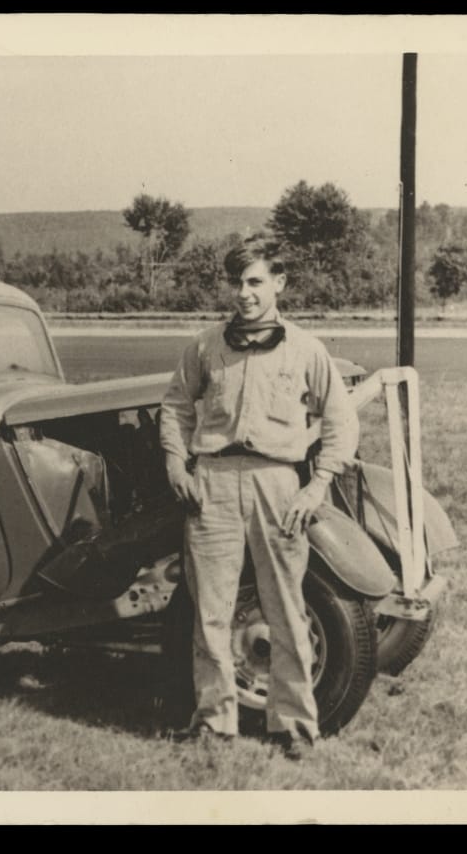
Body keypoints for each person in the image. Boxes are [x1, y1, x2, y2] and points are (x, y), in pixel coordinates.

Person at [157, 236, 359, 760]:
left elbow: (340, 421)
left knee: (286, 609)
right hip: (213, 486)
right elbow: (176, 406)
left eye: (254, 281)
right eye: (236, 282)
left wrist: (317, 485)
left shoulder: (307, 350)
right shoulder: (205, 346)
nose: (243, 293)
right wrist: (176, 461)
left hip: (278, 487)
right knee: (211, 611)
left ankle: (295, 726)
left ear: (279, 284)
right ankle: (214, 723)